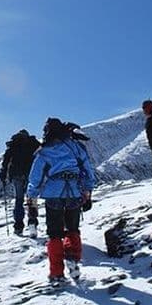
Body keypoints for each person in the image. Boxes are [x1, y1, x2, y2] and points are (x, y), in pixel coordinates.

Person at [27, 118, 96, 283]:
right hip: (74, 192)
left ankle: (56, 273)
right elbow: (87, 170)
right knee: (73, 228)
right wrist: (87, 191)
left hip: (53, 194)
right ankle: (73, 257)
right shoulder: (76, 147)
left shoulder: (44, 151)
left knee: (54, 233)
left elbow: (35, 178)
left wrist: (31, 199)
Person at [0, 129, 41, 236]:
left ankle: (18, 226)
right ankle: (32, 224)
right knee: (31, 199)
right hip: (30, 174)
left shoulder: (13, 144)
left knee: (19, 200)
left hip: (16, 175)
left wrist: (3, 174)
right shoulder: (33, 143)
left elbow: (6, 160)